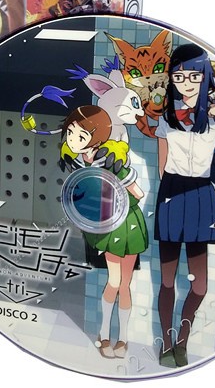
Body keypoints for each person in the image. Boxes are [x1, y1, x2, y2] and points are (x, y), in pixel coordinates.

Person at [154, 44, 215, 368]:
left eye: (194, 75)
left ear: (205, 76)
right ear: (172, 78)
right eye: (180, 76)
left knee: (200, 284)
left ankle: (182, 340)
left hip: (201, 194)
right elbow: (161, 164)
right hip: (173, 191)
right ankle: (166, 342)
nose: (187, 82)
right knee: (167, 280)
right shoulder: (167, 117)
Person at [60, 105, 148, 359]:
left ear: (97, 137)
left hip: (126, 223)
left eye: (80, 135)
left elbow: (137, 192)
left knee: (123, 284)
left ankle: (122, 338)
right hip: (108, 225)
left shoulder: (111, 157)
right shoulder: (78, 161)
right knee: (115, 281)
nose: (72, 140)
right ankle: (105, 334)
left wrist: (118, 183)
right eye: (70, 133)